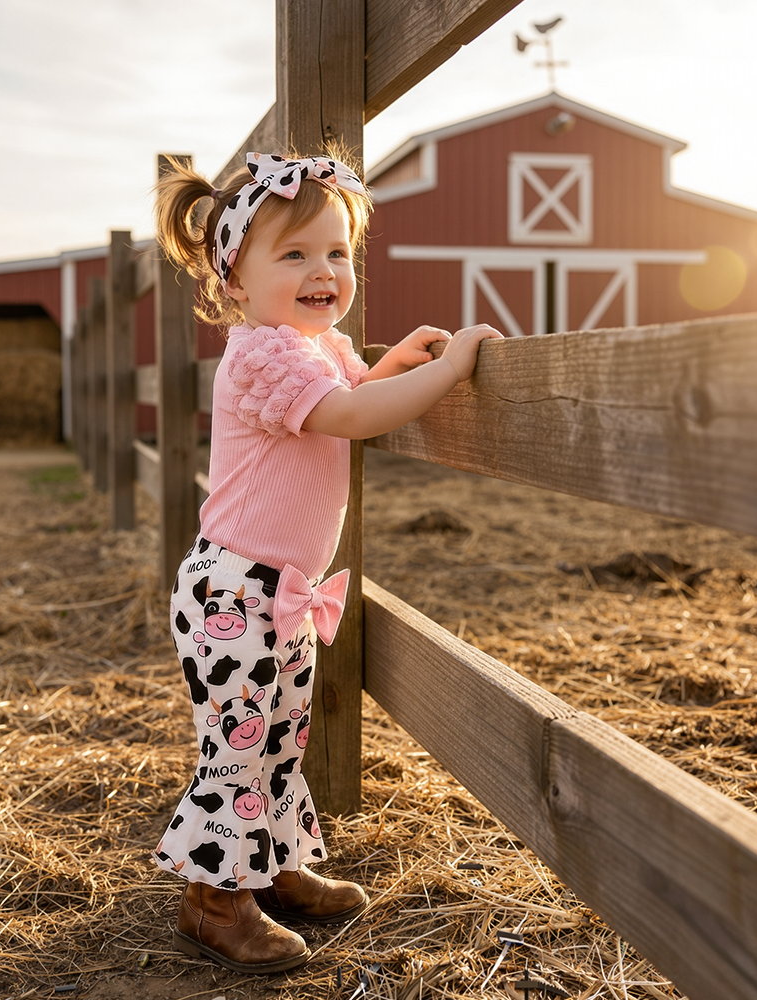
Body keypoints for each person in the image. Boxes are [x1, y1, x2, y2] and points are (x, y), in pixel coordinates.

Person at [152, 150, 503, 974]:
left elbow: (350, 398)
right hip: (235, 593)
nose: (324, 271)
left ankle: (270, 869)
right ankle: (213, 902)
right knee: (237, 749)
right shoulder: (261, 353)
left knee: (278, 739)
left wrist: (392, 365)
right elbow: (345, 416)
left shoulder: (317, 347)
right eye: (296, 254)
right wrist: (450, 368)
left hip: (283, 594)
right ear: (235, 280)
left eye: (338, 252)